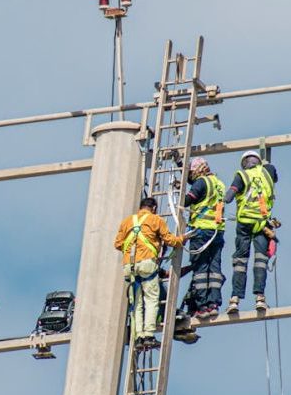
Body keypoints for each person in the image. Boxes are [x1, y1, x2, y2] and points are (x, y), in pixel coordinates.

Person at [114, 197, 187, 350]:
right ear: (153, 208)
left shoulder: (127, 221)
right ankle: (148, 335)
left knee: (137, 304)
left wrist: (133, 247)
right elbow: (170, 240)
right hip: (147, 263)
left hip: (129, 266)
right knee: (151, 300)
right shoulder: (156, 220)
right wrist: (182, 239)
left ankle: (139, 337)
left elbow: (118, 244)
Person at [225, 150, 278, 313]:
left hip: (245, 224)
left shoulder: (242, 175)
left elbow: (229, 197)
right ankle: (260, 298)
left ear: (245, 163)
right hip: (262, 224)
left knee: (240, 261)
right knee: (261, 261)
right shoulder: (267, 173)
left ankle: (235, 299)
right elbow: (273, 174)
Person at [183, 157, 226, 319]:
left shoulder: (201, 183)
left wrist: (178, 192)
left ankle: (201, 306)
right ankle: (213, 304)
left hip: (201, 231)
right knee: (214, 269)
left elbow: (189, 200)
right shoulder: (218, 183)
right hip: (217, 232)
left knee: (200, 268)